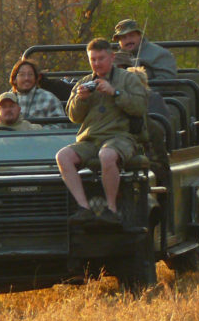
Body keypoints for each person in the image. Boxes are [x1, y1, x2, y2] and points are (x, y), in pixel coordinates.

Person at [55, 39, 148, 226]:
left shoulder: (128, 79)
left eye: (101, 58)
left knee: (106, 155)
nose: (97, 63)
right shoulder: (84, 82)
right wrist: (81, 99)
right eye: (93, 59)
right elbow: (73, 117)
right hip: (90, 139)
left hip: (120, 137)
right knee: (63, 156)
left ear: (112, 57)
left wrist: (116, 93)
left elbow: (140, 107)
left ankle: (111, 209)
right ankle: (84, 208)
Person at [0, 58, 65, 122]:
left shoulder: (49, 99)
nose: (26, 78)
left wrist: (37, 133)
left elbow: (60, 126)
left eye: (30, 75)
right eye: (22, 75)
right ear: (14, 79)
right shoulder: (4, 100)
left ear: (36, 78)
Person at [112, 19, 177, 81]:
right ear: (119, 41)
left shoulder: (160, 54)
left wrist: (141, 89)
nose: (128, 40)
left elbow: (166, 84)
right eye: (123, 38)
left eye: (132, 36)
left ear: (140, 36)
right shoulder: (114, 58)